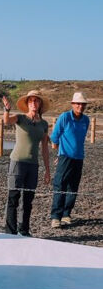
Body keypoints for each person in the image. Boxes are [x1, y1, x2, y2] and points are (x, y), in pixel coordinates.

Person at [2, 90, 51, 236]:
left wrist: (47, 170)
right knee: (13, 197)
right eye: (31, 101)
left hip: (33, 165)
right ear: (27, 104)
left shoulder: (44, 124)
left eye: (36, 101)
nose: (34, 103)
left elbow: (44, 149)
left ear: (40, 104)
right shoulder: (20, 118)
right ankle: (10, 231)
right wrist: (6, 110)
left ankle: (24, 230)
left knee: (28, 200)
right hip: (17, 162)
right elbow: (6, 121)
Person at [50, 92, 89, 227]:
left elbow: (81, 139)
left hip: (79, 157)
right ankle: (56, 216)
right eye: (78, 103)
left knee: (73, 187)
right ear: (73, 104)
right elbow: (54, 137)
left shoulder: (86, 120)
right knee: (60, 184)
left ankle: (66, 214)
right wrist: (59, 154)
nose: (80, 106)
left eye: (82, 104)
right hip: (65, 157)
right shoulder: (65, 117)